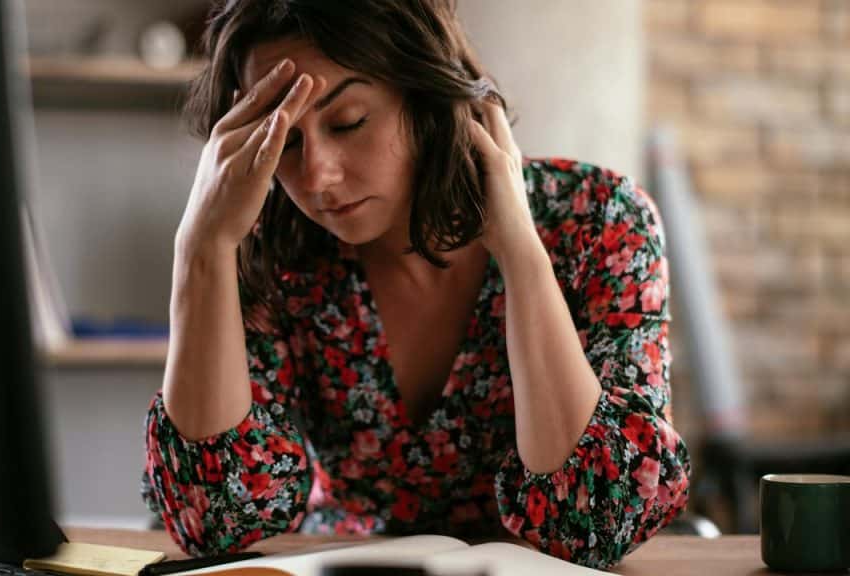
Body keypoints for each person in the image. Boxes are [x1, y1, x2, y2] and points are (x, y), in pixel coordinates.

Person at [142, 0, 691, 569]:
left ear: (429, 98)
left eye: (348, 120)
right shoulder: (270, 249)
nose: (317, 176)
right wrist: (200, 250)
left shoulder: (599, 221)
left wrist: (520, 253)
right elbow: (215, 523)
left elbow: (600, 522)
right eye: (287, 140)